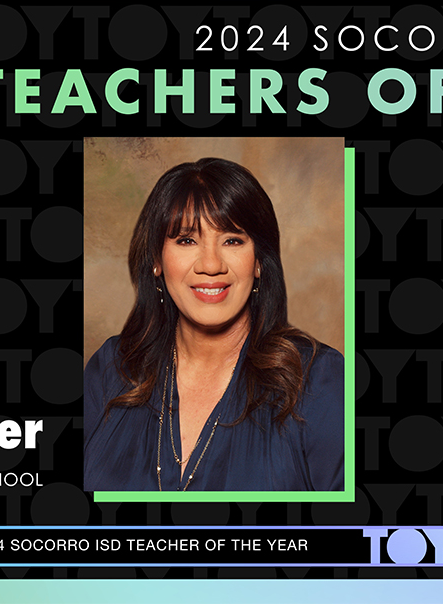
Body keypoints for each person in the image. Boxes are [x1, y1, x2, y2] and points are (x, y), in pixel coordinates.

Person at [84, 158, 344, 492]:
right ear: (156, 262)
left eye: (232, 240)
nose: (210, 265)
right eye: (186, 240)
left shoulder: (319, 380)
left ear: (259, 263)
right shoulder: (112, 368)